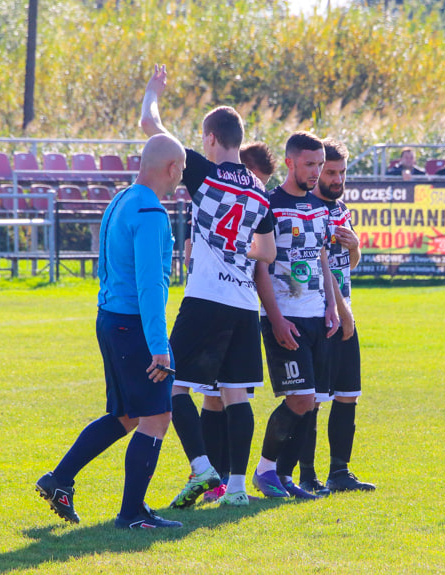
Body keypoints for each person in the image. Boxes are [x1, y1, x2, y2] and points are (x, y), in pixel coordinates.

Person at [140, 64, 277, 509]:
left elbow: (151, 127)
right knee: (236, 394)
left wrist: (153, 91)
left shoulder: (204, 172)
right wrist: (237, 246)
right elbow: (268, 253)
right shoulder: (259, 191)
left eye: (203, 139)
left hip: (204, 298)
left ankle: (202, 468)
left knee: (172, 386)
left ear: (212, 139)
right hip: (242, 301)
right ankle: (237, 489)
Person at [35, 133, 186, 529]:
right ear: (172, 168)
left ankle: (59, 480)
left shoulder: (121, 199)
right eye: (181, 170)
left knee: (124, 415)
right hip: (133, 324)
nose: (180, 178)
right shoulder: (151, 212)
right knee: (157, 416)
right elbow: (151, 285)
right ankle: (132, 514)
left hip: (110, 318)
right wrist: (159, 347)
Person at [251, 131, 340, 499]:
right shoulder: (268, 205)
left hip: (317, 315)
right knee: (300, 398)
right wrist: (275, 319)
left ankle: (285, 477)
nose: (316, 171)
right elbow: (260, 267)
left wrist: (332, 306)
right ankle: (265, 470)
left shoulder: (322, 207)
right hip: (285, 315)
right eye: (309, 164)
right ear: (289, 163)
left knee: (313, 400)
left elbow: (322, 258)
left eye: (320, 164)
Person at [193, 140, 279, 504]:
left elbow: (266, 258)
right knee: (216, 398)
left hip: (228, 303)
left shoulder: (224, 190)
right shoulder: (227, 195)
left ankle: (221, 480)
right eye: (255, 178)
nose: (253, 188)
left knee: (230, 395)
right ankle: (218, 481)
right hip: (231, 303)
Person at [293, 138, 376, 495]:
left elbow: (348, 266)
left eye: (342, 172)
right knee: (311, 398)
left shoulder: (341, 209)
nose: (337, 178)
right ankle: (307, 475)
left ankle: (339, 471)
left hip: (346, 314)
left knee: (347, 395)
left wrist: (354, 246)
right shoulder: (308, 209)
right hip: (319, 314)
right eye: (330, 171)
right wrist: (339, 311)